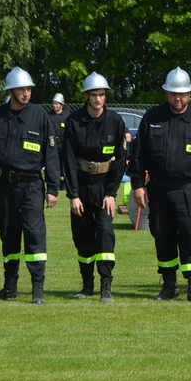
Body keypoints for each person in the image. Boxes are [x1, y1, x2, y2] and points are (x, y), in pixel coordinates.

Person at [130, 67, 191, 304]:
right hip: (159, 189)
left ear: (190, 94)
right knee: (162, 236)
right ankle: (169, 285)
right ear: (165, 92)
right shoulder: (152, 118)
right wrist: (138, 185)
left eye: (182, 93)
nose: (178, 98)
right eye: (173, 93)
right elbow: (138, 154)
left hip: (190, 189)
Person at [0, 67, 60, 304]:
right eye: (22, 89)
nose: (26, 93)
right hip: (3, 186)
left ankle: (37, 290)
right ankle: (9, 287)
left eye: (29, 89)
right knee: (9, 237)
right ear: (11, 90)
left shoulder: (40, 116)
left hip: (32, 185)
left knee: (35, 236)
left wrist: (53, 189)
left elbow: (51, 155)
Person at [61, 72, 128, 303]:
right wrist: (73, 195)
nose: (98, 99)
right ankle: (87, 284)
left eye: (102, 95)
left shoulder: (116, 121)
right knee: (82, 236)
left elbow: (120, 160)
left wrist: (111, 193)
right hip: (81, 185)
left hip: (104, 187)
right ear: (86, 96)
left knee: (105, 235)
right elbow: (68, 160)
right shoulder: (73, 121)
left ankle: (106, 285)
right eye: (94, 95)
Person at [48, 92, 70, 192]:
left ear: (62, 104)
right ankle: (54, 183)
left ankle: (64, 184)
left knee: (64, 165)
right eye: (53, 103)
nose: (55, 105)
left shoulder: (67, 116)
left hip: (64, 145)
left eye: (57, 103)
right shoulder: (48, 116)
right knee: (53, 165)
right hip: (52, 144)